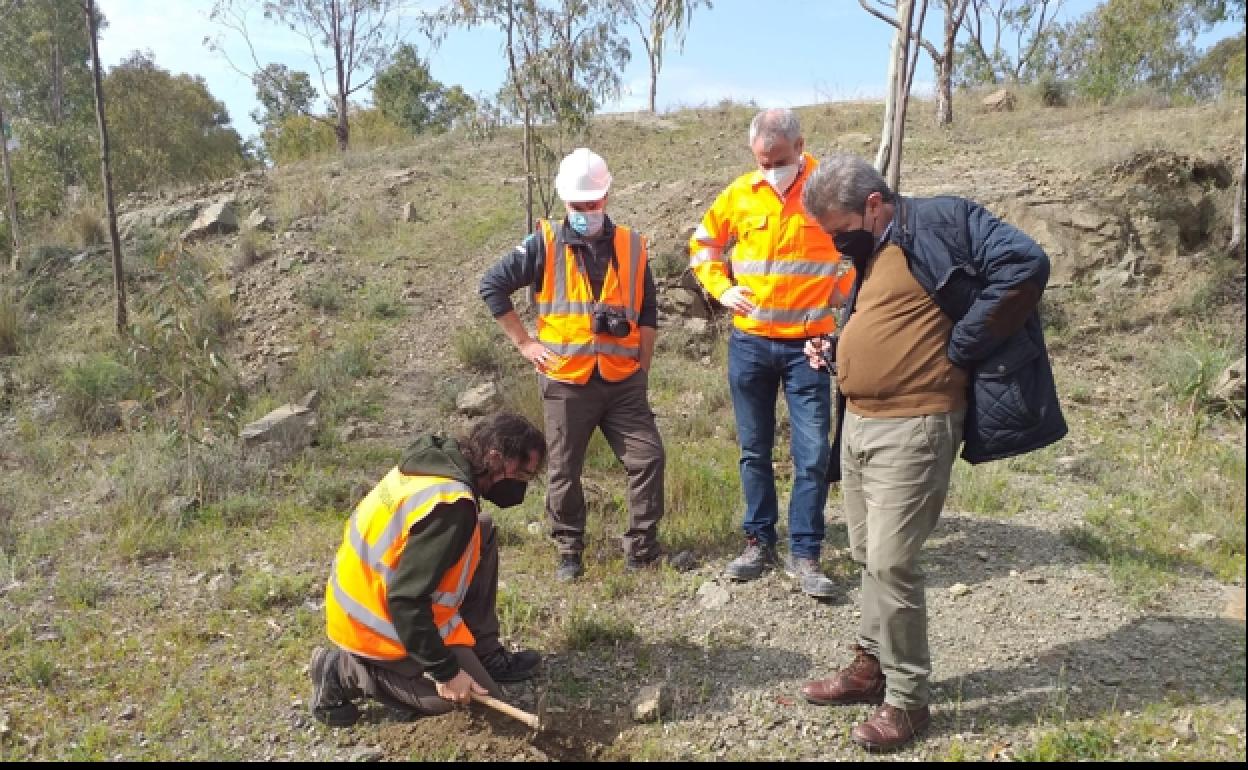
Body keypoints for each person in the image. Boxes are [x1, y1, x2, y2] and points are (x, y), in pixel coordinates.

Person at [797, 153, 1068, 751]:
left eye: (839, 228)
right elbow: (894, 321)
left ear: (873, 204)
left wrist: (964, 343)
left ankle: (909, 701)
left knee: (891, 562)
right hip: (862, 424)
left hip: (914, 425)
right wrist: (840, 347)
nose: (836, 241)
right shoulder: (872, 253)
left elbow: (1026, 264)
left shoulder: (943, 221)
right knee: (867, 555)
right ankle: (871, 667)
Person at [688, 108, 854, 598]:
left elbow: (863, 249)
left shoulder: (828, 188)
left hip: (810, 344)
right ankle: (758, 541)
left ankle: (805, 552)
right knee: (753, 450)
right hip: (751, 343)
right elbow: (703, 246)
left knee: (811, 454)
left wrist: (840, 291)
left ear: (801, 146)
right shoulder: (739, 194)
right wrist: (721, 288)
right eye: (762, 160)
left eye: (779, 159)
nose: (771, 168)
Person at [479, 147, 666, 582]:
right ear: (565, 201)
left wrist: (643, 367)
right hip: (567, 381)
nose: (587, 212)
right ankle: (569, 549)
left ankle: (642, 548)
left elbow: (650, 311)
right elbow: (492, 285)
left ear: (606, 196)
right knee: (564, 469)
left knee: (648, 458)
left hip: (623, 383)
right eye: (578, 205)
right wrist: (524, 342)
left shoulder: (633, 246)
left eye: (594, 203)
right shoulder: (544, 242)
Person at [308, 412, 548, 727]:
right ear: (494, 458)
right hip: (375, 623)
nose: (521, 488)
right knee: (468, 705)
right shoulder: (451, 507)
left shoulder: (436, 459)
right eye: (521, 476)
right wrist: (445, 672)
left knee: (482, 530)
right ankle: (346, 669)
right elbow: (405, 600)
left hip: (379, 593)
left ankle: (483, 650)